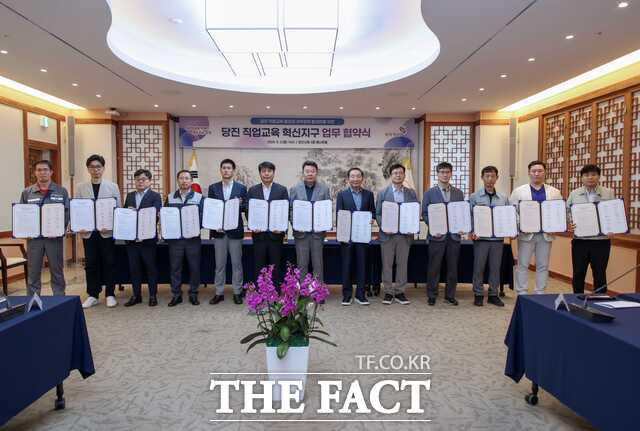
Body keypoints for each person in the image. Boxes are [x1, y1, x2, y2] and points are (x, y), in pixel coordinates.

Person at [510, 160, 562, 295]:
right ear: (529, 173)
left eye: (540, 171)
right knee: (522, 264)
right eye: (534, 171)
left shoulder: (554, 192)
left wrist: (557, 225)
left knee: (543, 265)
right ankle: (522, 292)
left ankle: (540, 292)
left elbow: (559, 212)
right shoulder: (519, 191)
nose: (537, 174)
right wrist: (517, 227)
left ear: (545, 173)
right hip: (526, 234)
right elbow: (512, 212)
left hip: (545, 235)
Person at [76, 154, 121, 308]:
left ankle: (110, 293)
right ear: (88, 169)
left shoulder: (113, 186)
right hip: (88, 232)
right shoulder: (81, 187)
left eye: (98, 167)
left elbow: (118, 210)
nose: (95, 170)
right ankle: (93, 294)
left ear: (103, 168)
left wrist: (112, 225)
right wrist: (78, 224)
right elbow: (78, 209)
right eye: (92, 167)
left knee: (109, 262)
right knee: (91, 263)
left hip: (106, 232)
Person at [19, 160, 69, 296]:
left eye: (45, 170)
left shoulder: (61, 191)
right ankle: (33, 299)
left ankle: (59, 298)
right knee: (33, 271)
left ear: (51, 172)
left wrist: (59, 229)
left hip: (54, 238)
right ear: (35, 173)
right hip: (34, 239)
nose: (42, 173)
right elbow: (22, 214)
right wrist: (24, 231)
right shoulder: (27, 192)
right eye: (39, 170)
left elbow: (67, 213)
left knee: (56, 270)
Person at [566, 164, 616, 294]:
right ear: (582, 178)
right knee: (578, 272)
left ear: (599, 176)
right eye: (587, 175)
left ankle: (600, 300)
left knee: (600, 272)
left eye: (594, 174)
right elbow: (567, 212)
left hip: (601, 241)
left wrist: (613, 228)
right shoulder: (574, 193)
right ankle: (577, 298)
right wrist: (569, 224)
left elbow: (613, 212)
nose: (590, 178)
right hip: (580, 241)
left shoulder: (608, 192)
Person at [422, 161, 465, 306]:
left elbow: (461, 213)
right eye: (442, 172)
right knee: (434, 266)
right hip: (437, 236)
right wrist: (434, 228)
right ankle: (432, 294)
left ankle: (450, 295)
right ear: (437, 174)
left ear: (451, 174)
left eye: (447, 172)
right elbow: (425, 213)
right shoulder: (429, 193)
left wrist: (462, 227)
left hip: (454, 236)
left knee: (453, 267)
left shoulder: (458, 193)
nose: (445, 175)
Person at [376, 163, 418, 305]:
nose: (398, 175)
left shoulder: (411, 193)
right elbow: (378, 213)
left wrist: (413, 226)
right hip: (387, 235)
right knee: (387, 264)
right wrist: (384, 226)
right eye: (395, 173)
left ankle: (400, 291)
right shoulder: (383, 193)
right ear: (391, 175)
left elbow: (414, 211)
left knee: (402, 263)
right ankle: (388, 292)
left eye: (401, 173)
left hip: (404, 235)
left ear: (404, 175)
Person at [207, 159, 247, 305]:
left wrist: (240, 204)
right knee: (219, 264)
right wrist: (213, 225)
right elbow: (210, 209)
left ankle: (237, 292)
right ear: (220, 170)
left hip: (235, 232)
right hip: (219, 232)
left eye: (229, 168)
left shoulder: (241, 188)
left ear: (233, 171)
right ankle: (219, 292)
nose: (226, 170)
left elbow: (246, 208)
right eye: (223, 168)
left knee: (237, 264)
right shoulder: (213, 188)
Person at [336, 167, 375, 306]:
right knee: (346, 265)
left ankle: (360, 294)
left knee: (362, 265)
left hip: (362, 236)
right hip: (347, 237)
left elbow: (373, 212)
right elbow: (339, 215)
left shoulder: (369, 195)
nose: (355, 179)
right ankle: (346, 295)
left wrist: (372, 219)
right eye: (352, 176)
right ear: (348, 179)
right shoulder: (342, 195)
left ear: (362, 178)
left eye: (358, 176)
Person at [123, 169, 162, 306]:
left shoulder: (155, 196)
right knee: (134, 269)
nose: (140, 182)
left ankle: (152, 296)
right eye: (138, 179)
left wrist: (138, 214)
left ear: (150, 181)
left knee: (150, 268)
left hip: (148, 239)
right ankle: (136, 295)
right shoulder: (130, 196)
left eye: (144, 179)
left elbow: (156, 215)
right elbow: (124, 215)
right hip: (132, 240)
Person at [469, 166, 507, 307]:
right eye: (487, 176)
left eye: (492, 176)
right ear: (482, 177)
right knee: (479, 267)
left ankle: (493, 294)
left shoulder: (503, 198)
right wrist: (472, 231)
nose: (490, 179)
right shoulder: (474, 197)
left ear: (497, 178)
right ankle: (478, 294)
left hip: (497, 239)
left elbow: (507, 217)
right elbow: (469, 216)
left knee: (495, 268)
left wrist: (510, 230)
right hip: (481, 239)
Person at [247, 161, 289, 286]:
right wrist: (252, 226)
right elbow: (248, 210)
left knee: (275, 266)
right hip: (259, 235)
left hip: (275, 235)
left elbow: (285, 211)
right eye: (264, 171)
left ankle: (275, 293)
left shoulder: (281, 190)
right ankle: (260, 294)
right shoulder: (253, 190)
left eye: (269, 171)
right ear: (260, 173)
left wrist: (282, 228)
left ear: (273, 173)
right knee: (259, 266)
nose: (266, 174)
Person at [165, 170, 203, 307]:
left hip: (193, 239)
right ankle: (176, 294)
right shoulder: (170, 197)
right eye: (181, 178)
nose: (184, 181)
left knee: (194, 267)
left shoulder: (199, 197)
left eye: (187, 178)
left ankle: (193, 293)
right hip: (176, 240)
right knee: (175, 267)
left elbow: (204, 217)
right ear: (177, 180)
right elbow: (165, 217)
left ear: (191, 181)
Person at [289, 161, 330, 283]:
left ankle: (318, 291)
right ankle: (303, 292)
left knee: (318, 264)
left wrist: (324, 224)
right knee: (302, 264)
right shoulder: (295, 188)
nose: (310, 174)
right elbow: (290, 209)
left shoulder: (324, 189)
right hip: (301, 234)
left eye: (312, 171)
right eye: (307, 171)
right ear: (303, 173)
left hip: (317, 233)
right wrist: (295, 224)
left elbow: (327, 208)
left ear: (316, 172)